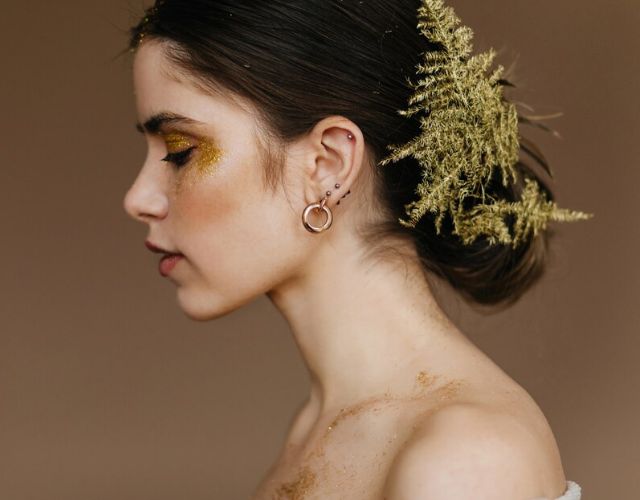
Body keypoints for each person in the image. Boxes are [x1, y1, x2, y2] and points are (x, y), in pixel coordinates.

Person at [121, 0, 590, 498]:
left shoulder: (465, 459)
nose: (137, 199)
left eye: (179, 151)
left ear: (328, 165)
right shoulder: (318, 428)